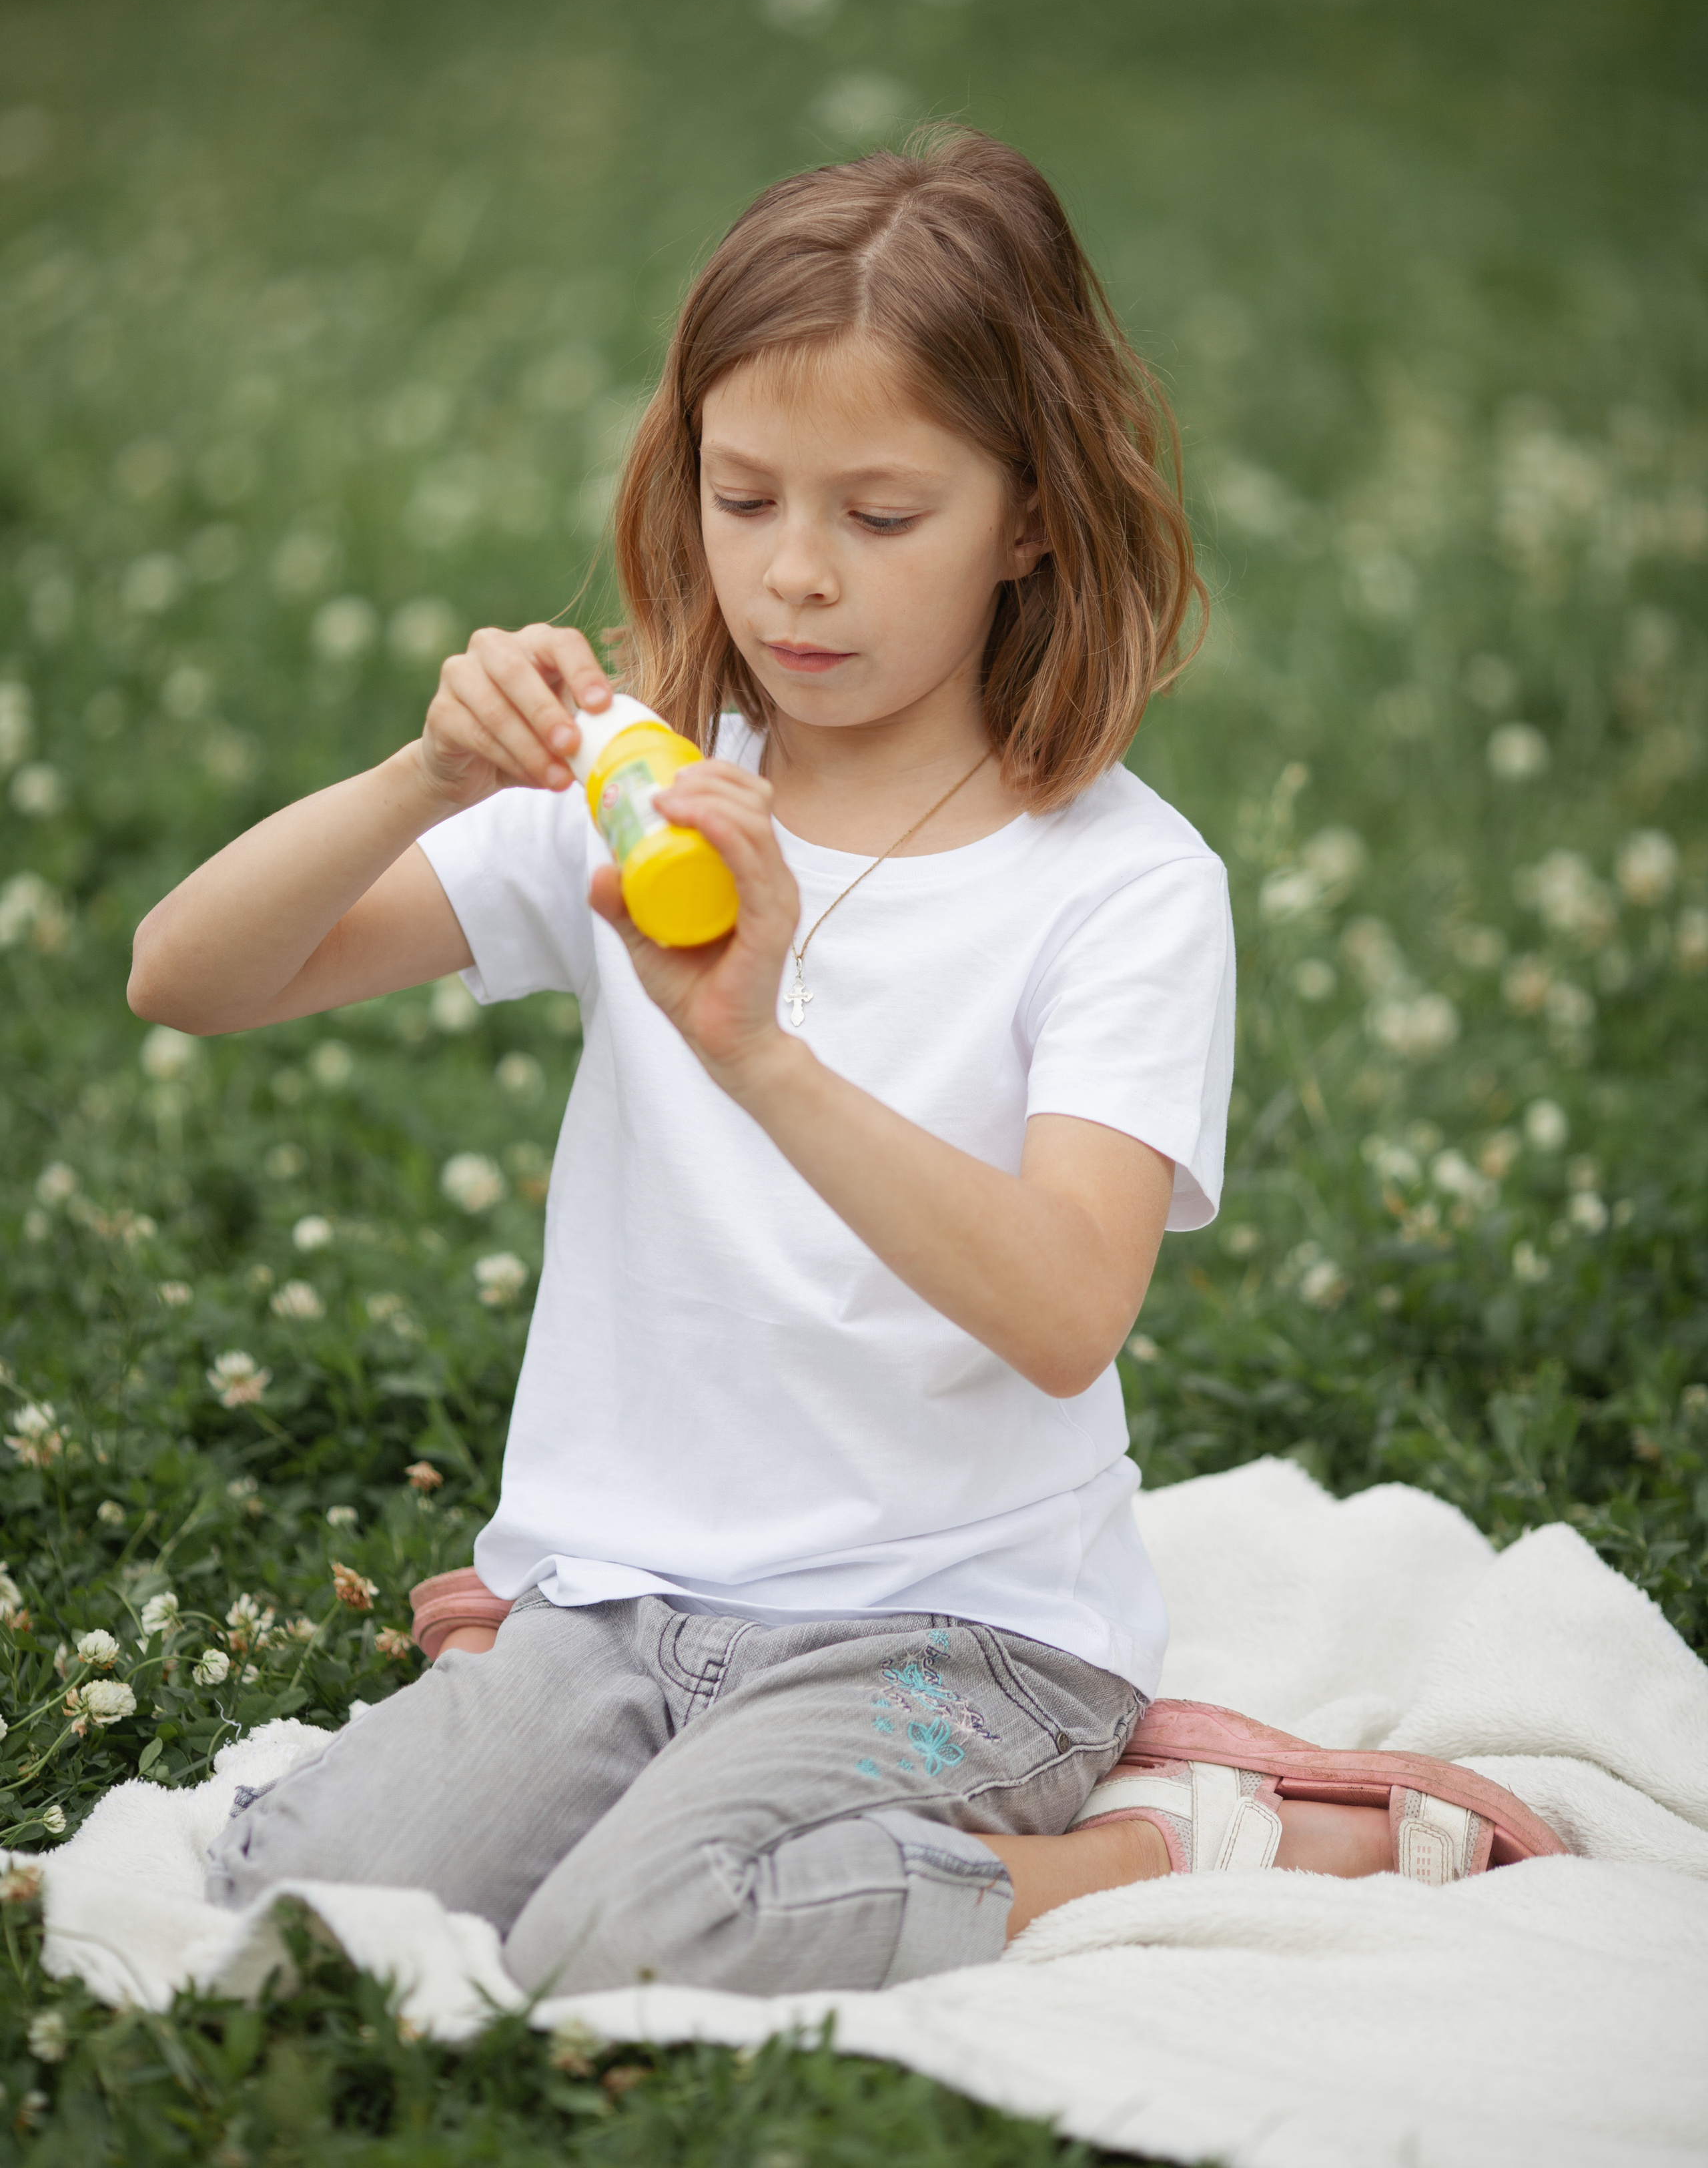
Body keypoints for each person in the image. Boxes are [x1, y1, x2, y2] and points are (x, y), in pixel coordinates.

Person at [131, 127, 1563, 1999]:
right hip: (612, 1607)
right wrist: (432, 777)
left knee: (642, 1936)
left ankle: (1177, 1834)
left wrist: (763, 1057)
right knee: (305, 1918)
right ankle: (642, 1776)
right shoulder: (646, 794)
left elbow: (1065, 1310)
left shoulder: (1123, 886)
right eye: (745, 501)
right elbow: (187, 976)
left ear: (1029, 515)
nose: (797, 579)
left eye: (882, 518)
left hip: (956, 1635)